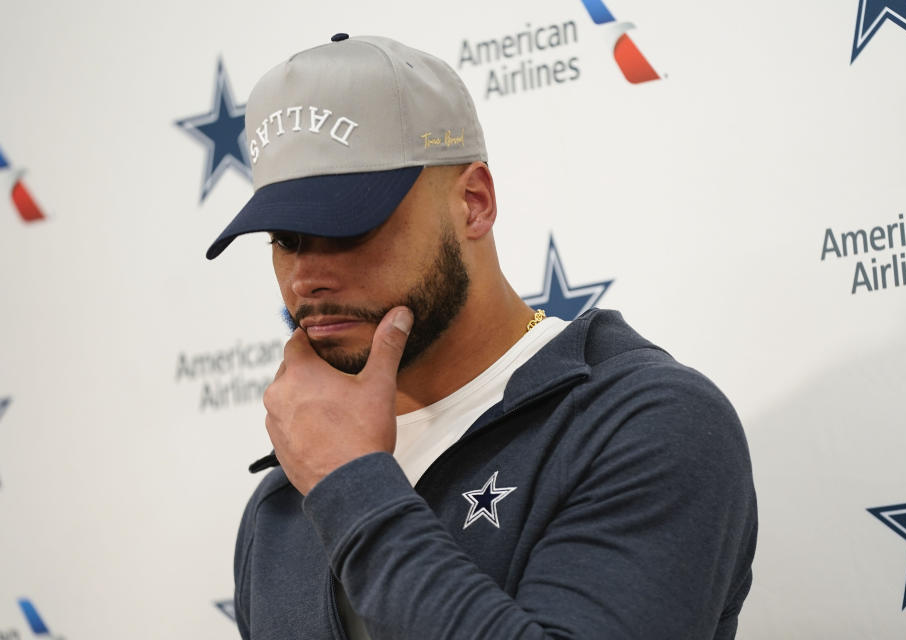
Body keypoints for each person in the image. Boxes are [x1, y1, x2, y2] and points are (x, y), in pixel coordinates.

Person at [206, 34, 757, 640]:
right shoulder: (283, 500)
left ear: (473, 203)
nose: (307, 276)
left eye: (347, 227)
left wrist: (351, 484)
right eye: (286, 240)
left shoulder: (645, 421)